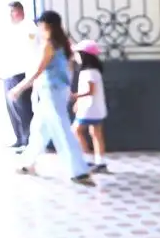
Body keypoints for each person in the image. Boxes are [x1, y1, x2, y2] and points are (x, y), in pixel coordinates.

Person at [11, 11, 95, 185]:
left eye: (40, 24)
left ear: (46, 25)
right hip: (56, 92)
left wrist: (19, 88)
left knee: (62, 130)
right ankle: (27, 163)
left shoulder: (49, 44)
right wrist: (67, 89)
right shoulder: (63, 44)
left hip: (51, 93)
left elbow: (38, 70)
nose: (39, 28)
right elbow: (70, 68)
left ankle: (79, 172)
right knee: (40, 129)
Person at [0, 2, 36, 150]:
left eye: (12, 12)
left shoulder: (28, 27)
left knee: (23, 107)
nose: (9, 15)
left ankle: (28, 141)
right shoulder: (10, 30)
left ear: (19, 11)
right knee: (12, 108)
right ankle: (19, 138)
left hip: (21, 73)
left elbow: (32, 49)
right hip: (8, 72)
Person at [73, 43, 109, 174]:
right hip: (95, 108)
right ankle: (100, 162)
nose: (76, 57)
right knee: (96, 133)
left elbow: (90, 91)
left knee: (76, 130)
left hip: (89, 109)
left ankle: (88, 158)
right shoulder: (93, 71)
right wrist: (78, 101)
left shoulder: (89, 72)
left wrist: (74, 96)